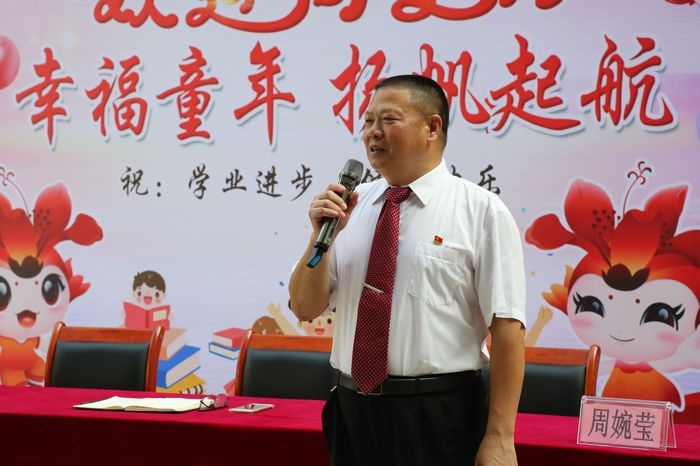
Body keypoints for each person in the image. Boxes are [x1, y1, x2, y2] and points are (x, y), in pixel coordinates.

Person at [289, 74, 526, 466]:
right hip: (352, 411)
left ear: (432, 127)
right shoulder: (350, 207)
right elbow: (304, 306)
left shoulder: (481, 211)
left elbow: (507, 329)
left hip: (437, 414)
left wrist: (500, 438)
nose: (372, 132)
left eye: (388, 119)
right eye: (368, 121)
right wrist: (320, 236)